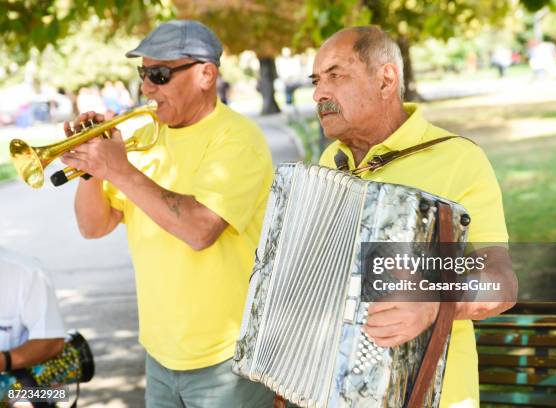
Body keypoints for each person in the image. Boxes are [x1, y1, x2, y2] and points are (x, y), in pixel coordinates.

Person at [60, 20, 274, 407]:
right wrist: (91, 168)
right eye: (143, 74)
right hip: (159, 354)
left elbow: (200, 230)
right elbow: (94, 226)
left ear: (206, 74)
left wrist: (120, 169)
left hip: (226, 359)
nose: (146, 88)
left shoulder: (238, 139)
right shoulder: (145, 135)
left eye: (159, 74)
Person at [310, 26, 517, 406]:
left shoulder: (459, 159)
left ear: (386, 79)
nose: (320, 93)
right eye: (317, 81)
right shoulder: (330, 164)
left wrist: (434, 303)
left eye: (336, 76)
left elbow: (501, 284)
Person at [0, 247, 66, 402]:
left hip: (17, 385)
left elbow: (53, 341)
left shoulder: (28, 272)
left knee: (52, 394)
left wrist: (4, 361)